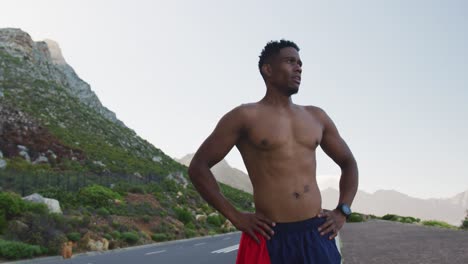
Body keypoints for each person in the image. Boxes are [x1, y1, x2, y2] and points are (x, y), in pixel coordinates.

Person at [188, 40, 358, 264]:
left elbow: (348, 163)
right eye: (290, 61)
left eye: (300, 63)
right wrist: (236, 216)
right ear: (267, 69)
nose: (298, 68)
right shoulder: (244, 116)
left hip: (316, 234)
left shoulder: (317, 117)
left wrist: (342, 211)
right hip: (270, 236)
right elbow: (198, 167)